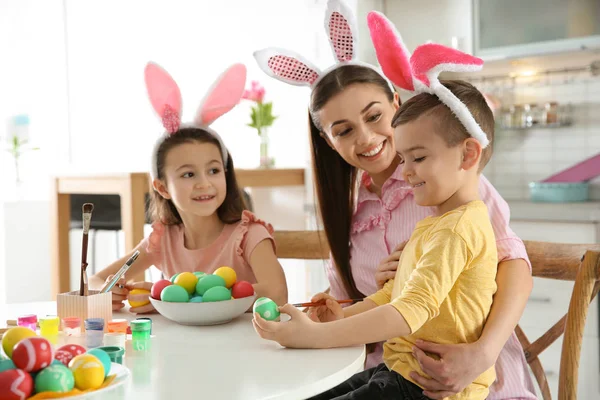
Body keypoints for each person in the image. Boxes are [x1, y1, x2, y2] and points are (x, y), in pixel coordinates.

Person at [253, 2, 535, 399]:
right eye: (344, 130)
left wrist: (483, 353)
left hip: (464, 372)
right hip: (391, 368)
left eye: (373, 116)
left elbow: (513, 268)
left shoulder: (454, 191)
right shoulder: (356, 209)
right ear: (328, 141)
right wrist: (335, 312)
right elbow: (374, 302)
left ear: (396, 105)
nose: (366, 139)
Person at [90, 62, 288, 313]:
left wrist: (173, 296)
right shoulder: (163, 240)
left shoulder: (249, 235)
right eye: (188, 174)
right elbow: (95, 281)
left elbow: (277, 293)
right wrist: (109, 292)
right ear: (162, 188)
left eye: (214, 170)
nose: (204, 183)